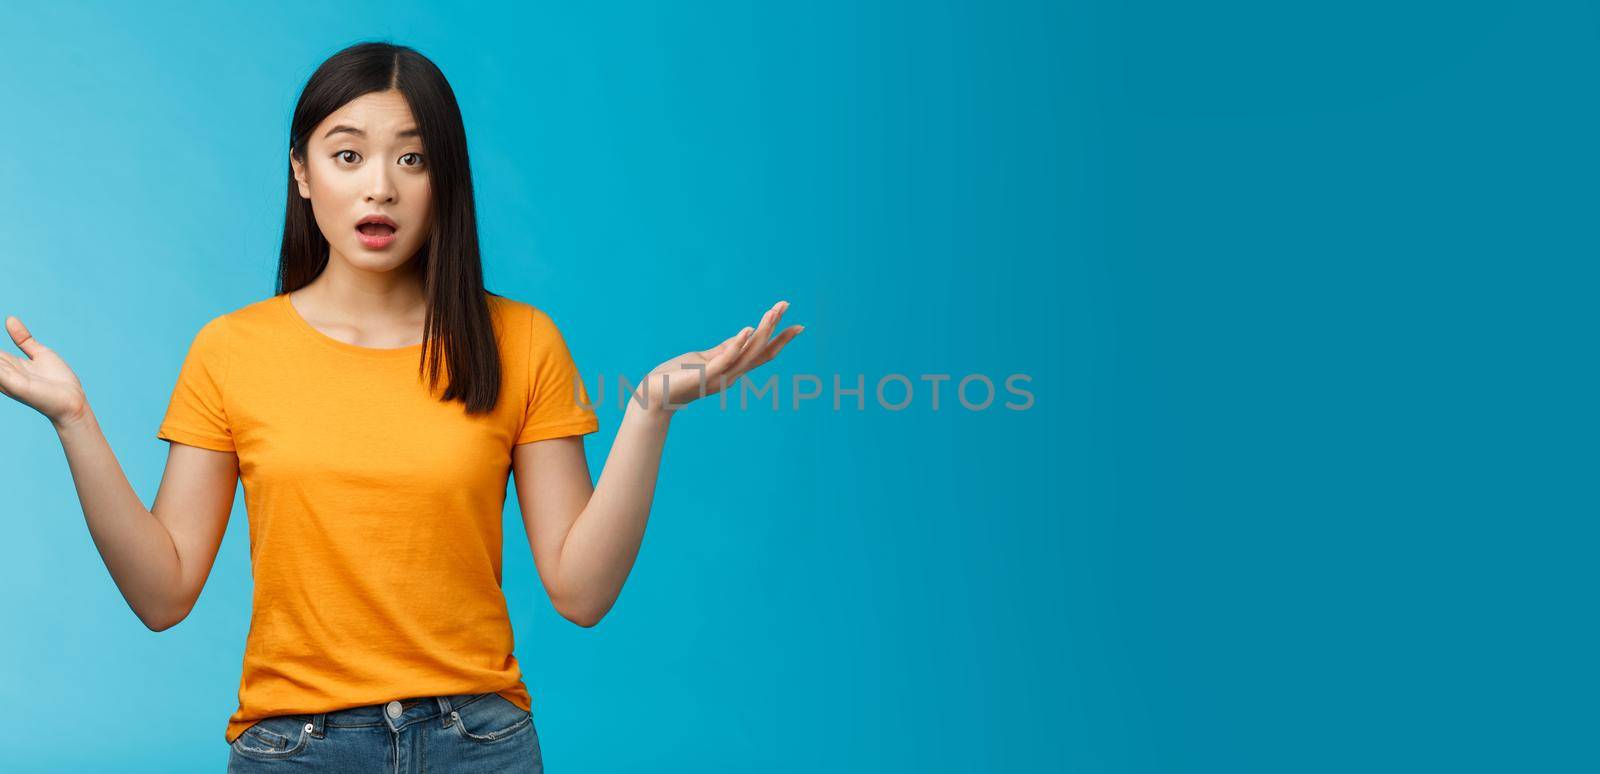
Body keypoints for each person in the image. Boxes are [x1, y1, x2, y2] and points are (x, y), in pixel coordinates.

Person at [0, 41, 801, 773]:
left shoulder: (520, 342)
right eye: (347, 155)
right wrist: (75, 422)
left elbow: (580, 594)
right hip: (295, 748)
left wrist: (650, 412)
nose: (379, 185)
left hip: (480, 743)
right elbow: (162, 592)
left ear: (443, 177)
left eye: (411, 158)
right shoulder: (231, 351)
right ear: (303, 172)